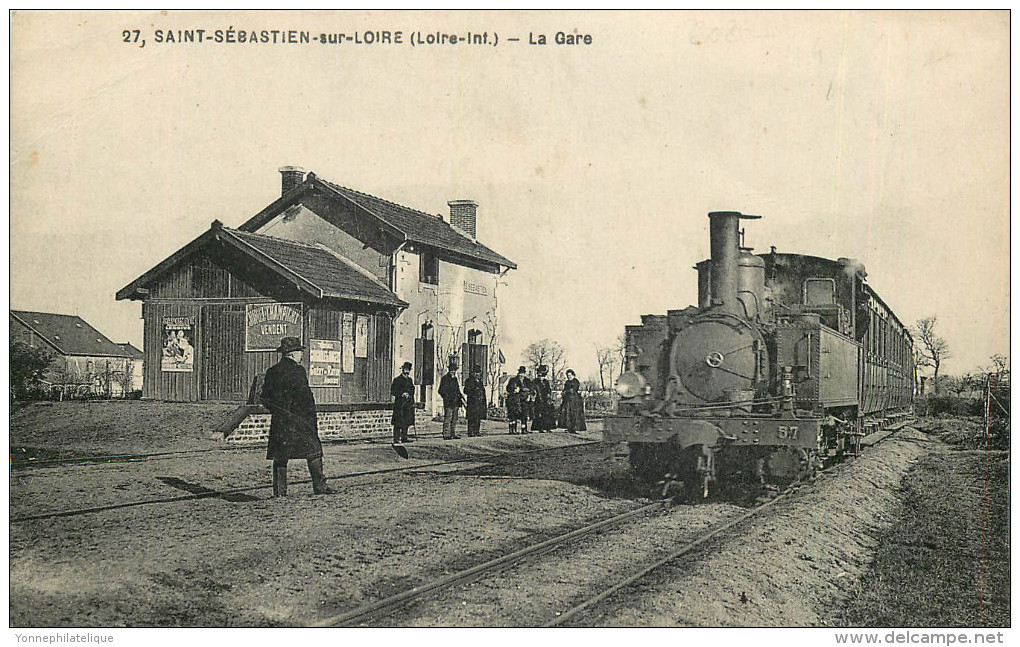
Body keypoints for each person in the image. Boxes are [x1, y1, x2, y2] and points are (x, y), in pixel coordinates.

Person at [260, 336, 333, 496]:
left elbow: (264, 397)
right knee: (314, 451)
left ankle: (279, 492)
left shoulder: (272, 371)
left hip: (280, 421)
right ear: (293, 354)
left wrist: (277, 411)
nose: (301, 355)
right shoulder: (298, 371)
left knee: (280, 456)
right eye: (300, 352)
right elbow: (305, 397)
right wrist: (310, 418)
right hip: (300, 420)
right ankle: (320, 487)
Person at [438, 360, 465, 440]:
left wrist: (460, 396)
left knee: (454, 419)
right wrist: (446, 397)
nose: (453, 372)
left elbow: (457, 390)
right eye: (452, 370)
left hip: (456, 402)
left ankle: (453, 434)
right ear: (449, 370)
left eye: (454, 370)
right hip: (449, 403)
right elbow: (440, 390)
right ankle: (446, 434)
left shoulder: (455, 379)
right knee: (448, 418)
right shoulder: (444, 379)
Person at [391, 361, 416, 444]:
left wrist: (410, 396)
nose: (407, 371)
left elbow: (412, 390)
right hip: (400, 404)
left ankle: (404, 437)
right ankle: (396, 438)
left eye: (408, 370)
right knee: (398, 421)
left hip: (408, 404)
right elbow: (393, 391)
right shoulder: (397, 380)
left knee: (407, 421)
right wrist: (402, 394)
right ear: (402, 370)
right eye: (405, 369)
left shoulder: (410, 380)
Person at [558, 369, 587, 434]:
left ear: (573, 375)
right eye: (568, 376)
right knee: (567, 415)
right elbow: (564, 390)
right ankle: (569, 427)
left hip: (575, 400)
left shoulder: (576, 381)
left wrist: (566, 391)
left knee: (574, 414)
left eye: (570, 375)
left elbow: (573, 390)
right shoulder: (567, 382)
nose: (569, 377)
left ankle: (574, 428)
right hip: (567, 400)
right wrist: (563, 392)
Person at [505, 366, 530, 435]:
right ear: (518, 373)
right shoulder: (513, 380)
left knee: (524, 415)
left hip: (524, 400)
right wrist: (514, 389)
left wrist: (527, 392)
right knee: (513, 415)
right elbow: (508, 388)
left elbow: (531, 388)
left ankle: (524, 429)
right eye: (520, 373)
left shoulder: (527, 381)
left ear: (525, 374)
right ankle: (512, 430)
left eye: (523, 373)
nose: (521, 375)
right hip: (515, 399)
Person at [464, 365, 487, 437]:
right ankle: (471, 432)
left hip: (479, 402)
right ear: (473, 373)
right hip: (472, 402)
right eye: (476, 373)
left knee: (478, 417)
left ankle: (477, 431)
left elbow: (483, 392)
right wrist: (473, 392)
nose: (477, 374)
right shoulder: (469, 381)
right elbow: (465, 390)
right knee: (472, 417)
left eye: (478, 373)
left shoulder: (480, 382)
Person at [531, 365, 555, 432]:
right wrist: (534, 394)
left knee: (547, 414)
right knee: (539, 414)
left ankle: (548, 428)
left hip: (546, 400)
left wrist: (548, 394)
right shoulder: (534, 382)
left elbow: (549, 389)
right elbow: (532, 390)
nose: (541, 377)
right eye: (540, 376)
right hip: (538, 400)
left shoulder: (546, 382)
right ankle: (540, 428)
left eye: (543, 376)